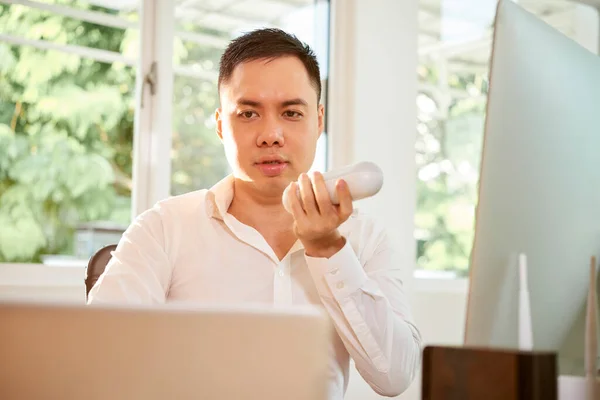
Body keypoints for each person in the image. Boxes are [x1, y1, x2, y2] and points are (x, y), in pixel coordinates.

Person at [88, 28, 422, 398]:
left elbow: (394, 377)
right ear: (220, 124)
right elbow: (98, 358)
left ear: (319, 120)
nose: (271, 135)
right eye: (248, 113)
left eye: (292, 113)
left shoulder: (364, 239)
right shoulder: (164, 228)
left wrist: (330, 251)